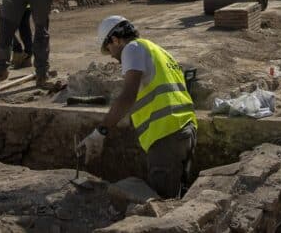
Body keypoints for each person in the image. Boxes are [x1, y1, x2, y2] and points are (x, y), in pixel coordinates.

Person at [77, 15, 197, 198]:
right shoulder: (160, 52)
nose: (111, 54)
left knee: (163, 203)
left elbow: (128, 96)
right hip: (186, 130)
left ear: (115, 40)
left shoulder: (131, 49)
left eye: (108, 48)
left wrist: (100, 132)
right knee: (179, 195)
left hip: (166, 135)